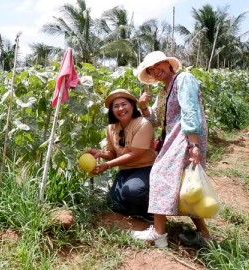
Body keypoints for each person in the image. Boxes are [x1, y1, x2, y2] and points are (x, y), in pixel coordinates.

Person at [130, 51, 211, 248]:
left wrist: (193, 144)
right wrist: (143, 107)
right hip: (174, 137)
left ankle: (159, 233)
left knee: (160, 174)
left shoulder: (183, 79)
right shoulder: (163, 91)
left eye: (158, 65)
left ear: (168, 63)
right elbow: (156, 122)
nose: (155, 70)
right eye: (150, 69)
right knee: (187, 184)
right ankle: (205, 236)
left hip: (186, 135)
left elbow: (190, 109)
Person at [86, 89, 156, 222]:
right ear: (112, 110)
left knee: (132, 191)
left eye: (124, 104)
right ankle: (136, 212)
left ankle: (152, 214)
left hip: (146, 167)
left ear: (132, 105)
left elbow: (135, 154)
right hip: (126, 170)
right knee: (113, 203)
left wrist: (107, 165)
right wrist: (99, 153)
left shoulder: (143, 124)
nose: (120, 109)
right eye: (116, 106)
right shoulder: (111, 128)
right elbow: (112, 153)